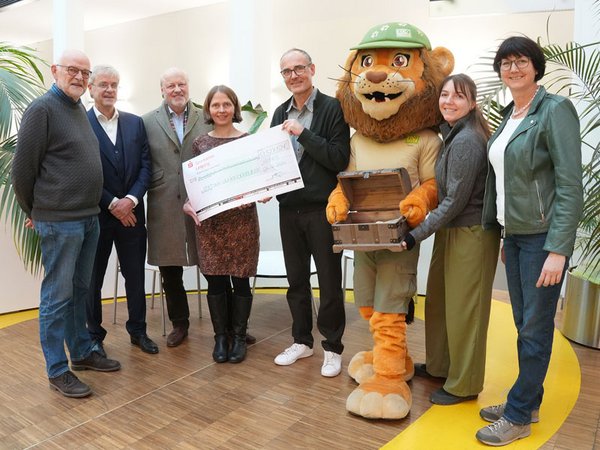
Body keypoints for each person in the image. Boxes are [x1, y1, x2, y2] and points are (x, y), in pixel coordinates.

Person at [476, 36, 583, 446]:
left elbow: (570, 186)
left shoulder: (554, 110)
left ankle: (519, 415)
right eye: (506, 62)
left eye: (521, 61)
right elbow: (507, 183)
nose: (513, 68)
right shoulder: (509, 115)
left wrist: (559, 249)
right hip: (517, 236)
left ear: (535, 67)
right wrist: (506, 231)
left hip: (543, 240)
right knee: (525, 325)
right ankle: (529, 401)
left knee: (535, 329)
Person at [11, 49, 121, 398]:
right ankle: (57, 370)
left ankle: (82, 353)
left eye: (84, 72)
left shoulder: (75, 110)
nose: (79, 77)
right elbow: (22, 170)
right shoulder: (42, 109)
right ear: (55, 71)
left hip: (88, 218)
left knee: (79, 291)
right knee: (57, 297)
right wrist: (36, 212)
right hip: (60, 223)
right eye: (72, 70)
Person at [401, 74, 501, 405]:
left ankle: (464, 384)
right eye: (445, 95)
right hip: (450, 230)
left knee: (465, 311)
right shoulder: (451, 135)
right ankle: (441, 366)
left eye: (458, 96)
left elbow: (453, 201)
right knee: (440, 302)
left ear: (472, 103)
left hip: (471, 234)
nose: (449, 101)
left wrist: (415, 236)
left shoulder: (467, 141)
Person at [271, 48, 351, 377]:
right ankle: (302, 341)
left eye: (299, 68)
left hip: (323, 210)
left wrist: (303, 133)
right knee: (296, 281)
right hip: (289, 209)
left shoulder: (332, 108)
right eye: (287, 71)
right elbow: (273, 163)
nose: (293, 75)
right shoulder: (278, 113)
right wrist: (266, 188)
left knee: (330, 282)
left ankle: (332, 347)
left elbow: (338, 158)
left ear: (312, 69)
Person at [183, 85, 259, 364]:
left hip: (242, 223)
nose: (222, 110)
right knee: (214, 280)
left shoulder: (248, 140)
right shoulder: (200, 143)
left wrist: (261, 193)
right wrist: (188, 203)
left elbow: (257, 181)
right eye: (216, 105)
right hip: (211, 225)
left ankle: (239, 337)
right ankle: (221, 337)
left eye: (226, 104)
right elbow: (195, 183)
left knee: (240, 280)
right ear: (208, 110)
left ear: (234, 108)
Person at [86, 65, 158, 356]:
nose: (109, 90)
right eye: (103, 84)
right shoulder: (81, 122)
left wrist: (131, 199)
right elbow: (85, 173)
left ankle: (138, 331)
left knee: (135, 276)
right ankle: (94, 337)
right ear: (91, 89)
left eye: (114, 85)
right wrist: (113, 204)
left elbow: (146, 166)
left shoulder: (134, 123)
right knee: (94, 278)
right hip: (97, 216)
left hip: (132, 215)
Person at [142, 68, 211, 347]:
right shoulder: (146, 122)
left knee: (213, 264)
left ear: (189, 87)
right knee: (170, 269)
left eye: (181, 84)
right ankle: (179, 324)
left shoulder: (205, 117)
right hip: (163, 201)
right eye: (170, 85)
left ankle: (227, 323)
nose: (177, 90)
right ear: (162, 90)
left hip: (202, 200)